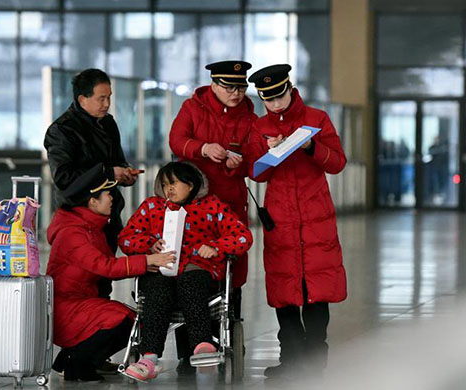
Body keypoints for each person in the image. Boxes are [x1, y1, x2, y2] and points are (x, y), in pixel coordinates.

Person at [245, 64, 347, 379]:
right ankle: (290, 359)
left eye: (280, 97)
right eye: (268, 100)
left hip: (316, 215)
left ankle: (315, 359)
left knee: (316, 290)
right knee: (285, 290)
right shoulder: (259, 126)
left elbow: (337, 163)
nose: (275, 105)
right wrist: (269, 151)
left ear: (290, 89)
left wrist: (310, 146)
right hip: (281, 218)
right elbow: (255, 172)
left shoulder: (316, 119)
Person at [117, 161, 253, 382]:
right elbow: (126, 238)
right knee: (156, 290)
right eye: (164, 184)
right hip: (161, 268)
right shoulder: (152, 207)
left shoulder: (211, 206)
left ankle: (202, 346)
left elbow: (242, 236)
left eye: (173, 183)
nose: (168, 189)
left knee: (191, 283)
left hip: (197, 267)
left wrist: (216, 247)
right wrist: (149, 245)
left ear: (191, 185)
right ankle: (149, 358)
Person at [46, 163, 175, 381]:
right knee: (121, 321)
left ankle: (70, 359)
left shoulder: (90, 228)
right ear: (92, 201)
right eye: (107, 194)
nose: (112, 198)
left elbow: (108, 266)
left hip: (79, 305)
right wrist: (145, 261)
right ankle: (79, 366)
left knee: (130, 319)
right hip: (67, 310)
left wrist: (147, 262)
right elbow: (105, 266)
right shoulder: (73, 234)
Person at [168, 60, 257, 371]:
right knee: (189, 267)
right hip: (194, 205)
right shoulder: (193, 108)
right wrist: (202, 148)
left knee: (231, 266)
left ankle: (229, 330)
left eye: (241, 87)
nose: (236, 93)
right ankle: (190, 346)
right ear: (214, 85)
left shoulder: (249, 115)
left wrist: (241, 165)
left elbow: (256, 158)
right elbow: (176, 141)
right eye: (229, 87)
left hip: (230, 206)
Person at [44, 68, 142, 253]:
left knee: (105, 277)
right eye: (101, 98)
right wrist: (109, 172)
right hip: (78, 219)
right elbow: (64, 179)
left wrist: (125, 173)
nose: (107, 104)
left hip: (108, 216)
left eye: (109, 97)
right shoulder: (62, 130)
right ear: (82, 99)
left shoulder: (108, 123)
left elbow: (117, 161)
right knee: (80, 276)